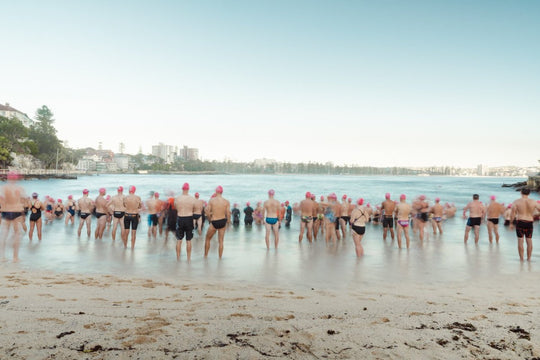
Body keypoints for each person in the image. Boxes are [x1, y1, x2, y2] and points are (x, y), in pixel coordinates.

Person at [0, 172, 25, 261]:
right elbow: (23, 201)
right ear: (16, 179)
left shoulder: (3, 188)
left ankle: (2, 256)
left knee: (4, 234)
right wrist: (23, 214)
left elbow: (1, 200)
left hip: (6, 211)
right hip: (16, 211)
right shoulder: (20, 188)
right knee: (17, 234)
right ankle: (15, 257)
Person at [510, 188, 540, 261]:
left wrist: (511, 223)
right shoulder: (534, 202)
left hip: (520, 221)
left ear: (521, 192)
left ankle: (521, 259)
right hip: (529, 222)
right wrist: (535, 215)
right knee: (529, 240)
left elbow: (512, 213)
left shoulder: (516, 202)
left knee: (520, 240)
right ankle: (529, 258)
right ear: (529, 193)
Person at [204, 185, 231, 259]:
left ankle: (205, 256)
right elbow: (228, 213)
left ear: (216, 191)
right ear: (222, 192)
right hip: (222, 221)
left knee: (207, 239)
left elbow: (207, 211)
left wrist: (210, 219)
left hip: (214, 221)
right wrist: (228, 223)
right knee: (221, 241)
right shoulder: (226, 201)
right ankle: (220, 258)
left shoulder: (212, 200)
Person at [175, 183, 196, 261]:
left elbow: (176, 208)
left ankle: (178, 258)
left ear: (182, 189)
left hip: (180, 218)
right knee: (189, 240)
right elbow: (194, 209)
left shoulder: (177, 198)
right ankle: (189, 259)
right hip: (189, 219)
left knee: (179, 240)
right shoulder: (192, 199)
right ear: (188, 189)